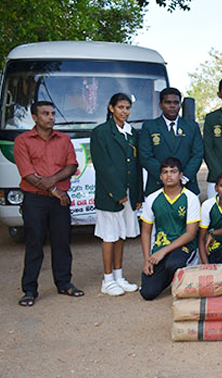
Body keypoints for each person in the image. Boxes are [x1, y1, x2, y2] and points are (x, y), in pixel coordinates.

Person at [14, 101, 82, 306]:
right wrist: (54, 190)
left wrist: (52, 182)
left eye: (52, 113)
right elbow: (27, 173)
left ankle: (64, 283)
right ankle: (29, 290)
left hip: (60, 200)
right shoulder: (23, 141)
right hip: (35, 200)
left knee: (62, 242)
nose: (51, 117)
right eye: (45, 114)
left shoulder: (64, 139)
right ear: (34, 117)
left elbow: (72, 165)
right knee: (34, 243)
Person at [91, 93, 144, 296]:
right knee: (109, 236)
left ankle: (119, 276)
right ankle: (107, 280)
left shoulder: (132, 133)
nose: (124, 111)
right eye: (120, 107)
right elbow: (103, 166)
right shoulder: (101, 132)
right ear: (111, 108)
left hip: (129, 194)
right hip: (110, 194)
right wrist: (118, 193)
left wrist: (137, 196)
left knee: (121, 234)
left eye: (127, 108)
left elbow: (136, 166)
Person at [139, 157, 201, 300]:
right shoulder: (152, 198)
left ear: (180, 175)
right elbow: (146, 232)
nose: (169, 175)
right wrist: (147, 259)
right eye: (165, 172)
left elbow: (191, 234)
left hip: (184, 247)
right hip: (160, 247)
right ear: (160, 176)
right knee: (148, 293)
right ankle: (169, 276)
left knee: (174, 263)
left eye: (173, 172)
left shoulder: (190, 198)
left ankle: (183, 273)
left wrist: (163, 251)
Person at [139, 87, 204, 196]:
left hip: (187, 185)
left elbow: (198, 154)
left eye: (176, 103)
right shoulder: (149, 126)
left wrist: (183, 177)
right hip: (157, 186)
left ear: (180, 105)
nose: (172, 106)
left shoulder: (192, 126)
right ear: (160, 105)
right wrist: (166, 177)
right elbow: (145, 156)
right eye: (168, 102)